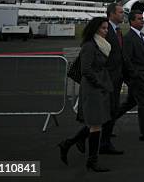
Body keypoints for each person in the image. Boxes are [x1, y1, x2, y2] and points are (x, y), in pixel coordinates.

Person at [58, 17, 112, 172]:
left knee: (96, 124)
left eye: (107, 28)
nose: (106, 31)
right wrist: (100, 84)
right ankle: (92, 161)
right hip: (93, 89)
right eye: (103, 28)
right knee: (96, 124)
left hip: (98, 88)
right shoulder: (89, 46)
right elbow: (86, 70)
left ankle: (68, 144)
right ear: (95, 29)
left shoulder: (102, 45)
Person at [116, 10, 144, 141]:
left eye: (142, 18)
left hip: (142, 77)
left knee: (129, 103)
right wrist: (135, 76)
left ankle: (107, 122)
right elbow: (127, 60)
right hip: (138, 79)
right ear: (131, 22)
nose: (142, 20)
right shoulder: (129, 38)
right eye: (139, 19)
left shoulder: (141, 35)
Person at [100, 2, 135, 154]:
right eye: (120, 12)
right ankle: (101, 143)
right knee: (106, 111)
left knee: (111, 110)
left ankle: (103, 141)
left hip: (117, 78)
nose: (123, 15)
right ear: (112, 14)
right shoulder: (105, 30)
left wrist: (130, 73)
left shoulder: (118, 31)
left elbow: (120, 55)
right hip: (107, 79)